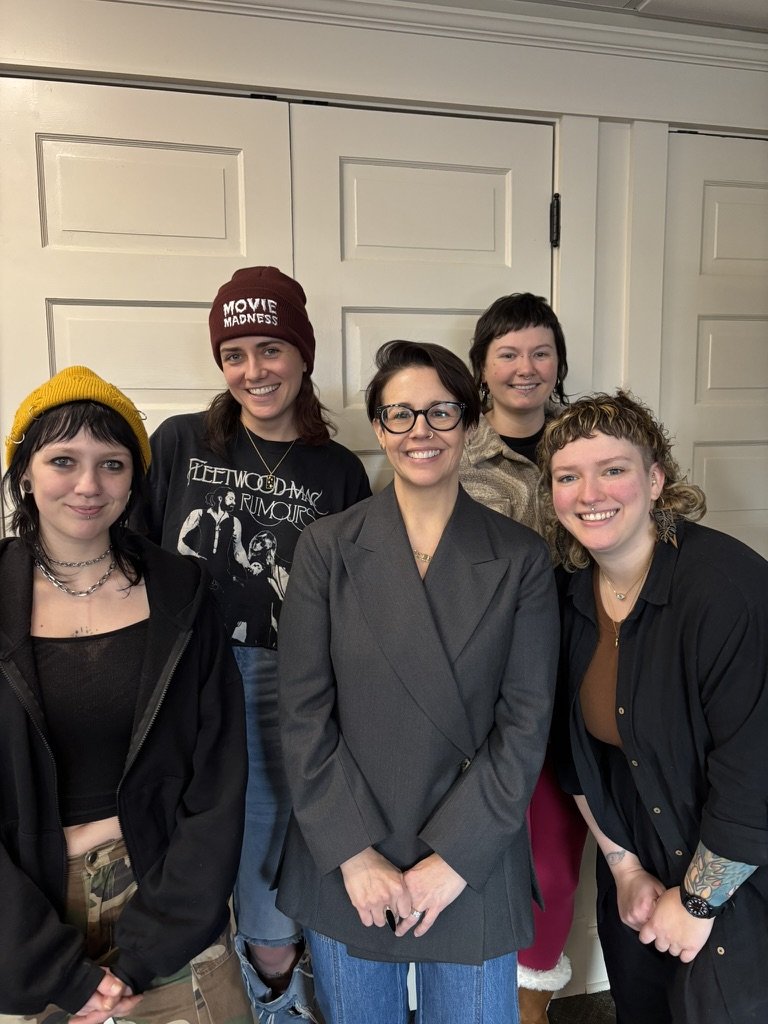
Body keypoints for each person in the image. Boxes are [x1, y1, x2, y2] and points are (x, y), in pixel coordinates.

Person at [275, 340, 560, 1024]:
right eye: (400, 414)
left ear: (469, 422)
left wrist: (454, 858)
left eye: (440, 411)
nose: (420, 431)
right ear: (378, 427)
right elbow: (304, 713)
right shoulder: (326, 547)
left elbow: (525, 724)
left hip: (471, 855)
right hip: (351, 853)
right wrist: (353, 853)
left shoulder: (521, 558)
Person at [144, 266, 371, 1021]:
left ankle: (279, 995)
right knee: (183, 859)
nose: (252, 371)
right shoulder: (180, 442)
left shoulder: (337, 471)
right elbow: (134, 555)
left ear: (303, 356)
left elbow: (352, 596)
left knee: (270, 876)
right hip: (182, 678)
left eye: (269, 349)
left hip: (286, 682)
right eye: (234, 353)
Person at [0, 366, 249, 1022]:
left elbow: (218, 778)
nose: (88, 485)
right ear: (25, 472)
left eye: (112, 464)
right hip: (26, 922)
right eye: (63, 460)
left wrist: (152, 944)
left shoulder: (183, 591)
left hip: (167, 902)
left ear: (134, 479)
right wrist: (47, 964)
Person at [539, 389, 768, 1024]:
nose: (591, 493)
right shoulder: (569, 597)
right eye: (568, 476)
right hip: (637, 864)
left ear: (656, 478)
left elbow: (756, 771)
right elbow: (573, 756)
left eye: (613, 469)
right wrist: (624, 867)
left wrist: (696, 905)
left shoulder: (727, 590)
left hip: (742, 873)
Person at [460, 293, 587, 1024]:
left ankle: (531, 1008)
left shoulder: (587, 446)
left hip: (578, 688)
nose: (525, 368)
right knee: (472, 856)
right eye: (508, 352)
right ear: (483, 366)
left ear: (559, 364)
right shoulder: (450, 450)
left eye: (541, 352)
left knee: (555, 867)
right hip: (485, 695)